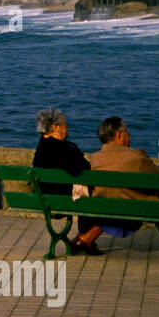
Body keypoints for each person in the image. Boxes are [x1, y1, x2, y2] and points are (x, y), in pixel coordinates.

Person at [88, 116, 159, 259]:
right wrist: (146, 159)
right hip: (137, 206)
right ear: (119, 135)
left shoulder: (95, 158)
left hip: (107, 205)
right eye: (127, 131)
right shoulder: (134, 156)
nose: (129, 135)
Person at [32, 107, 102, 255]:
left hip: (49, 201)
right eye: (65, 124)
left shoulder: (41, 147)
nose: (67, 127)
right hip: (67, 200)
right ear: (55, 127)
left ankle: (84, 237)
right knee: (105, 196)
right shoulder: (63, 148)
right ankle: (85, 238)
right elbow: (82, 170)